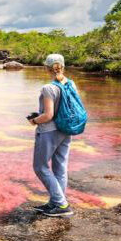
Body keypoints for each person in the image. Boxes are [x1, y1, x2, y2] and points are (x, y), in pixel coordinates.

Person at [29, 53, 74, 217]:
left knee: (40, 167)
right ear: (63, 66)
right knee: (60, 167)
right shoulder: (71, 84)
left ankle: (61, 204)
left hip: (49, 131)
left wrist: (34, 120)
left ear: (47, 68)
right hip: (66, 129)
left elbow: (48, 115)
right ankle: (56, 203)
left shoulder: (48, 88)